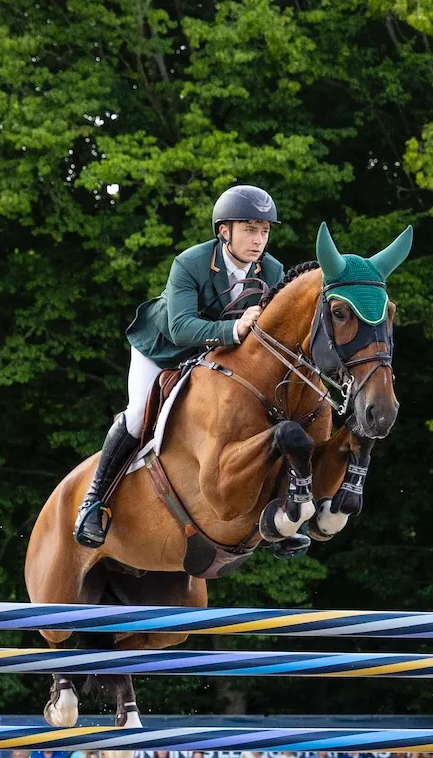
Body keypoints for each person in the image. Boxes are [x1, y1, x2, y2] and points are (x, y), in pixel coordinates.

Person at [78, 185, 285, 548]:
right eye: (250, 229)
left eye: (265, 230)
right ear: (224, 231)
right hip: (162, 350)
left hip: (218, 357)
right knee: (140, 413)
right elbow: (181, 326)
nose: (259, 240)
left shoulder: (272, 270)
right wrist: (234, 328)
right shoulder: (191, 262)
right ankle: (94, 502)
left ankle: (283, 516)